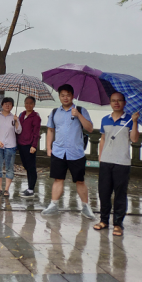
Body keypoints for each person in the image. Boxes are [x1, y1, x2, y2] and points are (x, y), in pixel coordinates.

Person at [42, 84, 96, 219]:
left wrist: (78, 115)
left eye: (68, 95)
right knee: (58, 179)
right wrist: (49, 148)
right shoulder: (55, 112)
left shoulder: (81, 110)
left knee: (80, 180)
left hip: (76, 152)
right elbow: (50, 130)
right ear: (59, 96)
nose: (65, 98)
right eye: (62, 95)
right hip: (58, 151)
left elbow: (90, 128)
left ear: (72, 96)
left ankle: (86, 207)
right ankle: (53, 205)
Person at [93, 92, 139, 237]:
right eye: (113, 100)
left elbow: (134, 139)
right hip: (106, 161)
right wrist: (100, 157)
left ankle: (118, 224)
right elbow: (103, 138)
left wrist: (135, 122)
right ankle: (104, 220)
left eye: (119, 100)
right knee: (104, 192)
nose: (116, 103)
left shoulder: (129, 119)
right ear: (110, 102)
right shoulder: (105, 119)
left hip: (122, 162)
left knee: (120, 193)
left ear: (124, 103)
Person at [0, 97, 22, 197]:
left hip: (10, 146)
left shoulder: (14, 117)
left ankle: (6, 189)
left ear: (12, 106)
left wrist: (16, 121)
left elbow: (19, 131)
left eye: (10, 104)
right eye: (6, 104)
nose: (7, 106)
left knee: (9, 168)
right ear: (2, 105)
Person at [16, 96, 42, 198]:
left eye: (31, 103)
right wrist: (15, 121)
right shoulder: (22, 115)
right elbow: (18, 129)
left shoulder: (36, 117)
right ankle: (29, 187)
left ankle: (31, 189)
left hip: (29, 145)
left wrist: (34, 145)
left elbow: (36, 133)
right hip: (21, 144)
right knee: (26, 166)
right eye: (26, 103)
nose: (28, 105)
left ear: (34, 104)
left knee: (31, 167)